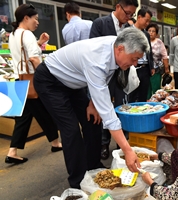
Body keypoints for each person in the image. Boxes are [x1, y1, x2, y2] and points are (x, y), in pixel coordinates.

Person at [33, 28, 149, 188]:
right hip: (50, 80)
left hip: (74, 82)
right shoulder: (97, 59)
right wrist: (128, 150)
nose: (135, 64)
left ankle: (93, 166)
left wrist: (94, 104)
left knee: (94, 120)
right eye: (134, 58)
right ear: (121, 49)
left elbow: (104, 80)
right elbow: (109, 114)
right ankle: (78, 181)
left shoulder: (116, 47)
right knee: (71, 130)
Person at [5, 4, 62, 165]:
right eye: (35, 19)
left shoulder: (14, 34)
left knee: (23, 117)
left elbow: (24, 54)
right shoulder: (27, 34)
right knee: (45, 112)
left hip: (19, 80)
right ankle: (55, 143)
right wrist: (46, 77)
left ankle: (13, 151)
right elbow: (34, 59)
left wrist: (40, 42)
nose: (37, 22)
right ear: (26, 18)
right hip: (31, 81)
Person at [89, 0, 139, 160]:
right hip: (102, 75)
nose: (129, 17)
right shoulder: (100, 24)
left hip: (121, 76)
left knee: (121, 108)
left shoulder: (129, 29)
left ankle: (121, 144)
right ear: (118, 6)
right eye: (127, 13)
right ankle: (104, 144)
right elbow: (93, 50)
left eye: (132, 14)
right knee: (104, 109)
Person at [129, 8, 154, 102]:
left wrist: (151, 66)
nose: (147, 23)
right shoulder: (129, 31)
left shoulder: (146, 34)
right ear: (139, 17)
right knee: (132, 95)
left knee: (143, 95)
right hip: (133, 68)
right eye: (146, 20)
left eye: (149, 21)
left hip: (145, 68)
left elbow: (149, 51)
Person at [146, 22, 169, 99]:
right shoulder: (144, 41)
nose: (151, 33)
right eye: (149, 31)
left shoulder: (159, 42)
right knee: (146, 89)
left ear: (156, 33)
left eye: (153, 31)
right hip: (145, 69)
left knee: (156, 89)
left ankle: (157, 105)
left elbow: (164, 55)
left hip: (156, 69)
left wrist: (166, 68)